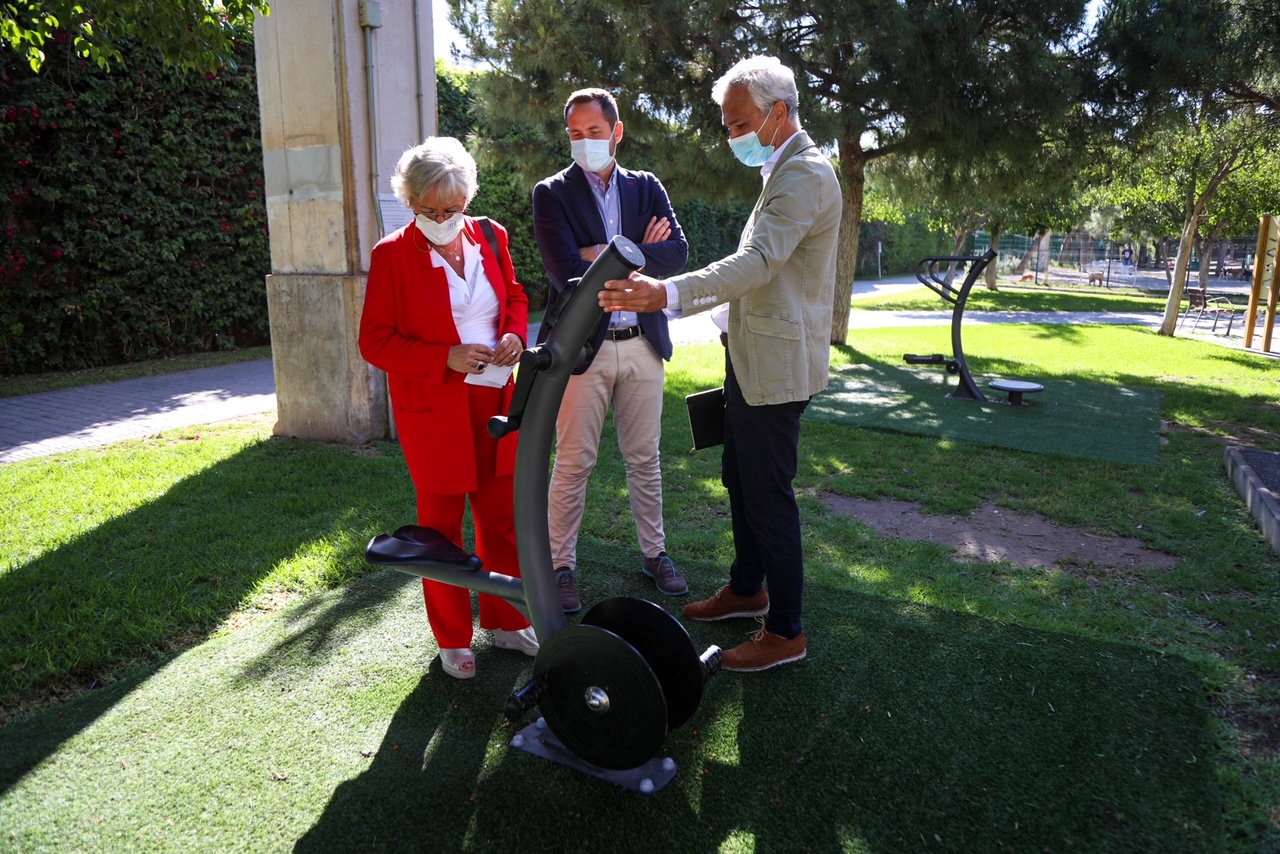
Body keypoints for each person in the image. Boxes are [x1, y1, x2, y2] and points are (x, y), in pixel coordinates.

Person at [598, 56, 841, 672]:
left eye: (738, 124)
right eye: (728, 126)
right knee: (740, 477)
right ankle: (747, 587)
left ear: (778, 113)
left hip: (777, 366)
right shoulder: (783, 169)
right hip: (752, 357)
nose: (732, 137)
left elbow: (759, 263)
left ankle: (785, 631)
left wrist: (667, 292)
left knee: (767, 495)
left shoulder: (805, 173)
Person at [359, 137, 538, 680]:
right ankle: (453, 637)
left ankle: (505, 622)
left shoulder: (491, 234)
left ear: (468, 198)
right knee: (441, 527)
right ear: (409, 203)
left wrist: (512, 332)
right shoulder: (391, 254)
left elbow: (514, 295)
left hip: (496, 396)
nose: (442, 219)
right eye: (429, 210)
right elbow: (376, 342)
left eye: (452, 208)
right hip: (435, 407)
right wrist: (447, 358)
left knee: (501, 517)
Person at [532, 88, 691, 613]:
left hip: (642, 343)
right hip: (584, 349)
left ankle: (656, 553)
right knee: (574, 462)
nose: (584, 143)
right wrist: (633, 252)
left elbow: (678, 253)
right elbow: (563, 270)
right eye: (575, 135)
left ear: (616, 132)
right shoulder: (550, 192)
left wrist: (600, 251)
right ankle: (560, 566)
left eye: (593, 133)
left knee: (645, 459)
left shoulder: (646, 187)